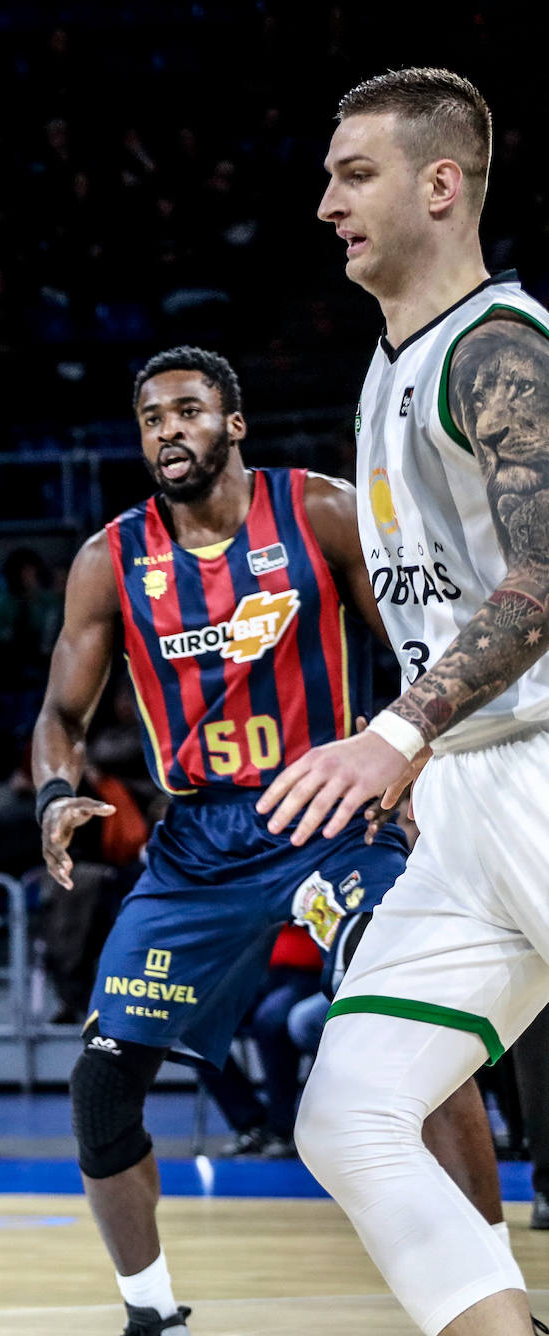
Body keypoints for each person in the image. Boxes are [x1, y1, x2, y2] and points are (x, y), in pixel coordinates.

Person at [32, 344, 501, 1336]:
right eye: (152, 416)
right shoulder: (110, 560)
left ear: (233, 423)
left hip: (331, 817)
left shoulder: (320, 512)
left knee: (418, 1033)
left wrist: (413, 761)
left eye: (189, 410)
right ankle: (153, 1314)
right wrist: (53, 795)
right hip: (197, 843)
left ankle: (495, 1287)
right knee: (104, 1080)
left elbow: (419, 650)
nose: (169, 430)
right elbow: (60, 717)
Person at [256, 68, 549, 1336]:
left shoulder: (496, 345)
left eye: (354, 173)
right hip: (476, 790)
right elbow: (446, 592)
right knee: (354, 1107)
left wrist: (398, 730)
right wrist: (432, 755)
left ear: (442, 184)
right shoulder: (391, 369)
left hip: (539, 762)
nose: (326, 202)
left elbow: (546, 569)